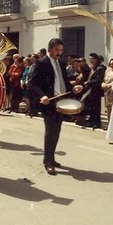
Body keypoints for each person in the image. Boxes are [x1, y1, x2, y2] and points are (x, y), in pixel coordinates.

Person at [28, 38, 80, 175]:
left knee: (56, 131)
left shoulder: (61, 63)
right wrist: (42, 96)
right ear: (50, 49)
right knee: (50, 131)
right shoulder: (41, 63)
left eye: (61, 50)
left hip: (61, 101)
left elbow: (64, 82)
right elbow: (32, 83)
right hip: (49, 103)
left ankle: (51, 157)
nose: (59, 53)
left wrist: (73, 88)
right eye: (57, 50)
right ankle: (48, 161)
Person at [102, 58, 113, 125]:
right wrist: (103, 84)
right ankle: (109, 124)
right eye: (111, 64)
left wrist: (109, 85)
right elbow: (103, 80)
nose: (112, 65)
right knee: (108, 108)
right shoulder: (107, 71)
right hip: (107, 92)